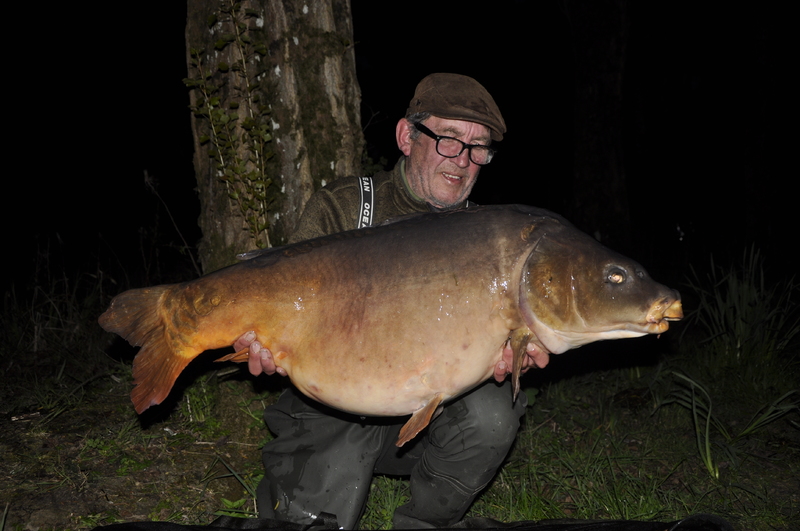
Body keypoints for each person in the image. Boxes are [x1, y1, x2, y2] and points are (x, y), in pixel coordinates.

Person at [234, 73, 550, 529]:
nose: (462, 160)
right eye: (449, 139)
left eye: (478, 147)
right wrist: (264, 341)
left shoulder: (493, 242)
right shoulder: (346, 207)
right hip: (335, 411)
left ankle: (425, 521)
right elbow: (280, 297)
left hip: (428, 428)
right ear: (407, 136)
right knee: (318, 497)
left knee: (493, 416)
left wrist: (514, 355)